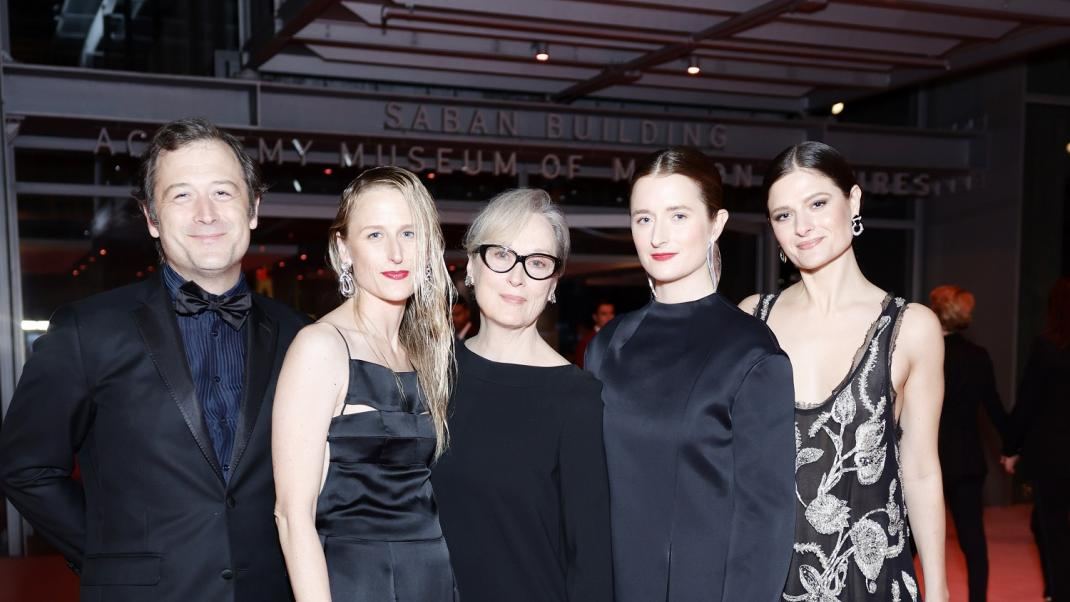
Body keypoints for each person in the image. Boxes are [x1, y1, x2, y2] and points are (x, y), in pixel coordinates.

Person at [0, 118, 309, 602]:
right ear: (151, 218)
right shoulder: (88, 330)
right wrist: (111, 559)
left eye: (223, 193)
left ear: (253, 209)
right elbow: (26, 468)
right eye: (181, 195)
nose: (206, 214)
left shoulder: (301, 336)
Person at [585, 147, 796, 602]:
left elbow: (766, 522)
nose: (658, 235)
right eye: (644, 219)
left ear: (716, 224)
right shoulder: (609, 345)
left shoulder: (751, 352)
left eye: (678, 216)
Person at [740, 141, 948, 602]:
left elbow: (920, 470)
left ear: (853, 201)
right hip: (766, 579)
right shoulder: (751, 319)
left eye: (817, 204)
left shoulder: (911, 328)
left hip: (869, 581)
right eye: (783, 215)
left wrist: (938, 590)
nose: (802, 227)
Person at [271, 166, 457, 601]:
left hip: (434, 577)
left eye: (409, 233)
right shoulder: (320, 347)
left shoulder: (425, 351)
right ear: (344, 248)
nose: (396, 253)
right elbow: (292, 516)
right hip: (357, 582)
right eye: (375, 235)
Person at [431, 189, 613, 602]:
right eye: (501, 254)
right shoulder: (432, 372)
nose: (517, 277)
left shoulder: (577, 399)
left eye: (537, 262)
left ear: (553, 283)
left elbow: (591, 563)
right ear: (471, 265)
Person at [929, 284, 1007, 602]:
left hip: (927, 458)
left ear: (935, 312)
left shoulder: (926, 353)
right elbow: (995, 408)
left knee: (910, 539)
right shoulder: (977, 356)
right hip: (966, 461)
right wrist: (1013, 445)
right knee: (973, 542)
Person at [1002, 276, 1070, 602]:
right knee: (1043, 525)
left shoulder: (1048, 347)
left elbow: (1028, 402)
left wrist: (1010, 447)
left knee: (1051, 526)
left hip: (1053, 455)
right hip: (1053, 453)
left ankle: (1058, 592)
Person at [573, 300, 615, 367]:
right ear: (595, 317)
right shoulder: (586, 342)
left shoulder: (618, 337)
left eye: (611, 313)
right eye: (604, 314)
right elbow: (580, 367)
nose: (609, 317)